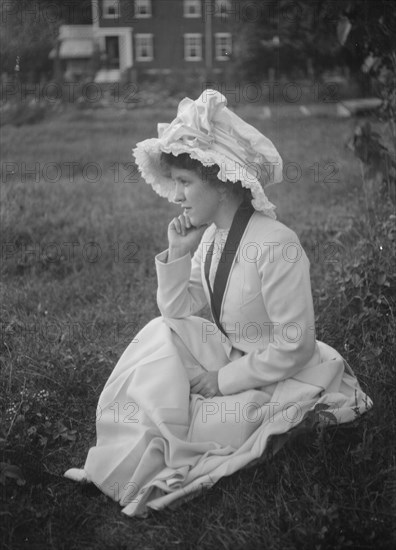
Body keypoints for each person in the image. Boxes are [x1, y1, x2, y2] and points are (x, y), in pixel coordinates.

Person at [64, 89, 372, 517]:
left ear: (223, 182)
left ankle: (157, 458)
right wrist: (177, 252)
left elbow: (295, 344)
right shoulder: (210, 239)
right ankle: (114, 463)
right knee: (160, 335)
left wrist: (222, 379)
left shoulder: (277, 244)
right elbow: (177, 312)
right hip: (233, 354)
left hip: (281, 373)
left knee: (229, 416)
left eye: (185, 183)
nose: (176, 196)